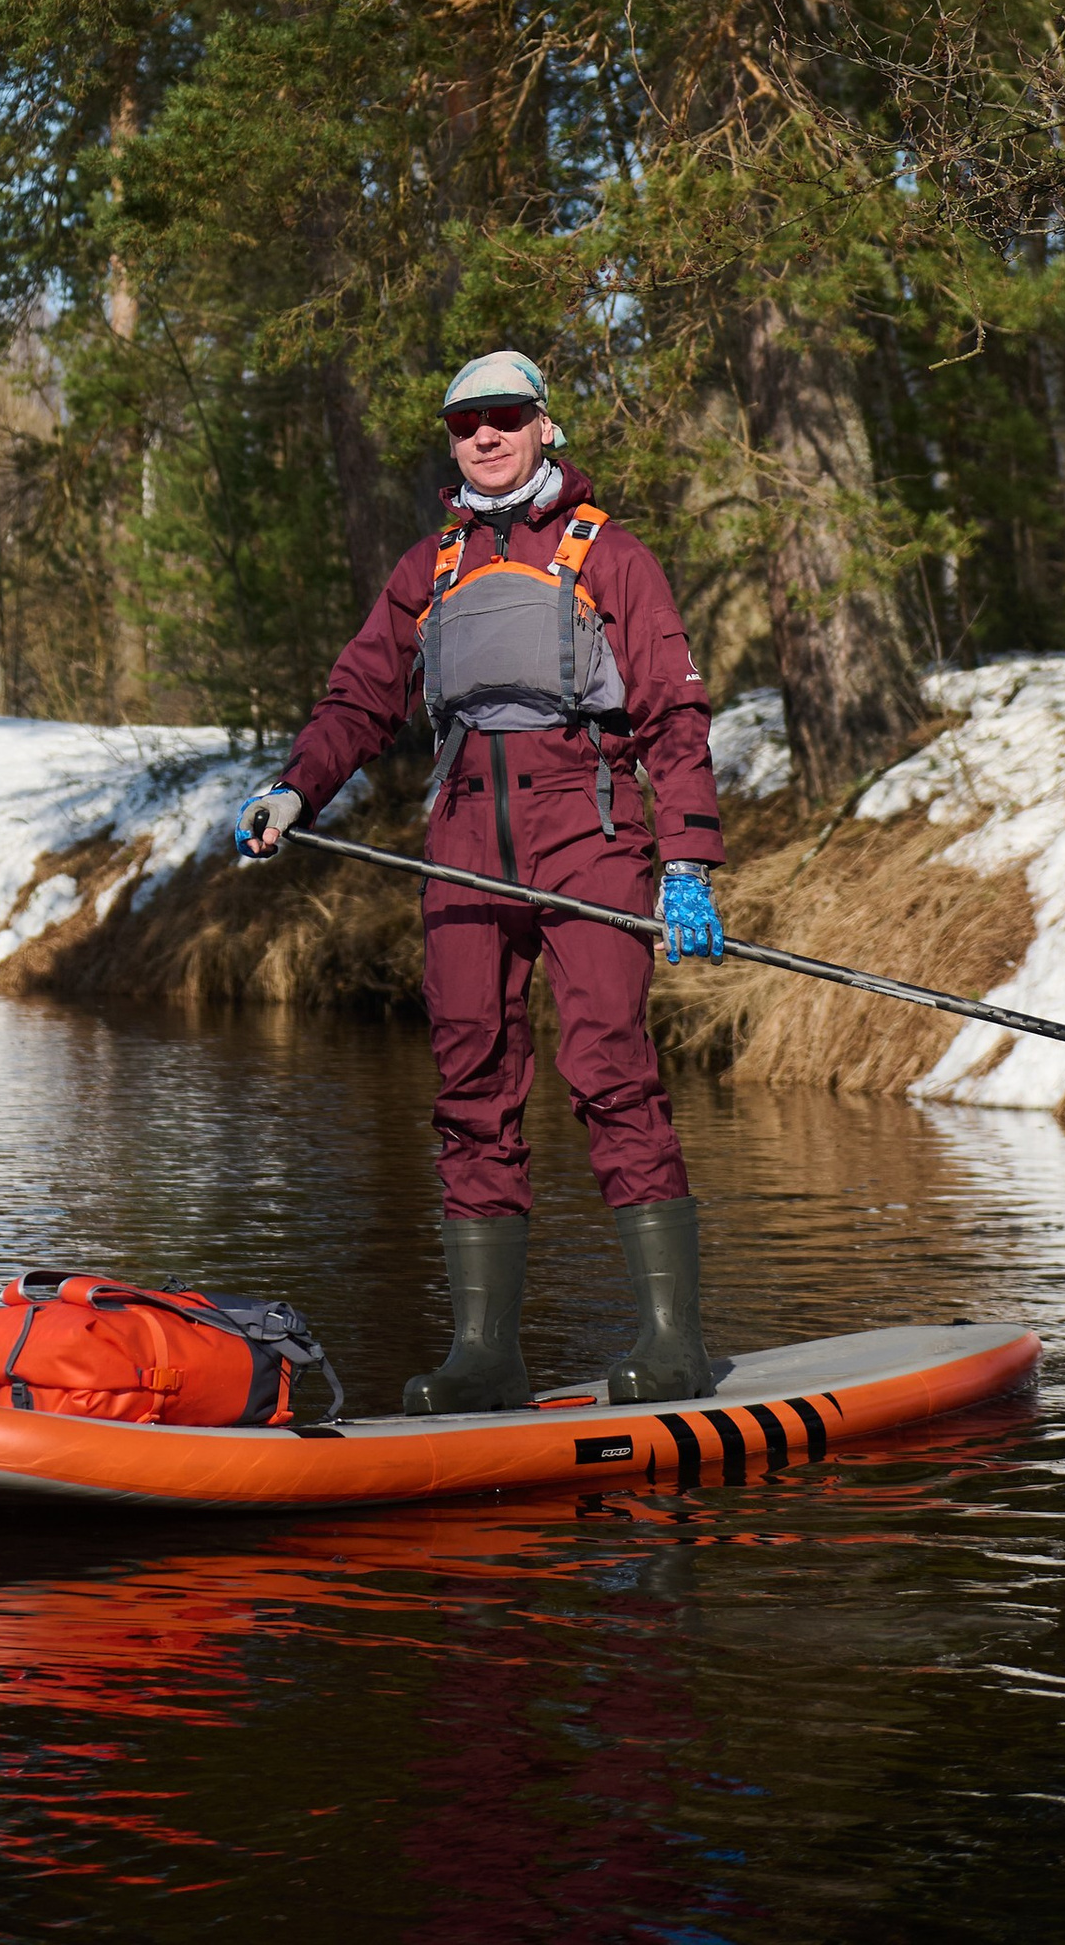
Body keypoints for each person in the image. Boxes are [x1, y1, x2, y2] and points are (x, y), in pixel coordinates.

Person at [237, 350, 728, 1414]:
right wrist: (294, 790)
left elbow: (674, 715)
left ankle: (672, 1341)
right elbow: (359, 697)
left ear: (545, 425)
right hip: (461, 838)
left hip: (585, 830)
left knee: (609, 1068)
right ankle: (482, 1355)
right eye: (465, 424)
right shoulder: (430, 569)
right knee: (469, 1087)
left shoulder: (612, 554)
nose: (484, 437)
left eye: (504, 417)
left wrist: (685, 858)